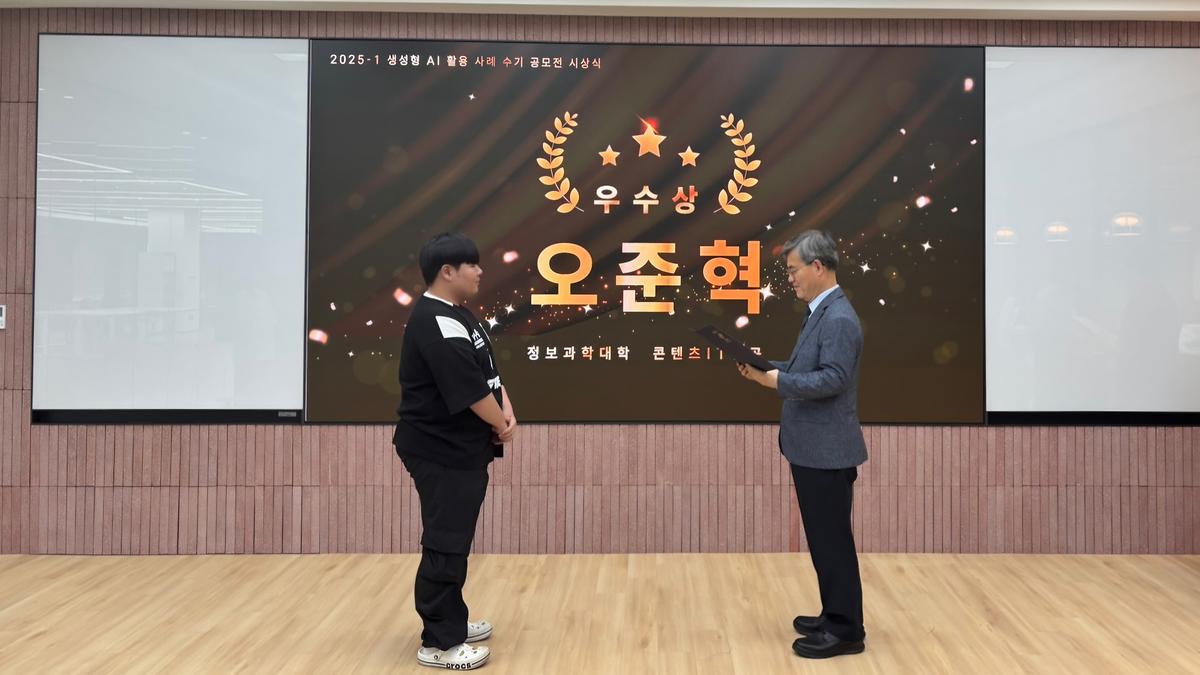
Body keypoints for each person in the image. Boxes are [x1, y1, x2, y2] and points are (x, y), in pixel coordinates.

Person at [737, 229, 869, 659]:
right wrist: (765, 368)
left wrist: (776, 381)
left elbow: (833, 379)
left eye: (794, 270)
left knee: (832, 542)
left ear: (818, 266)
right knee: (824, 539)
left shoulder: (839, 318)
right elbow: (806, 368)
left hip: (827, 450)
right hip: (812, 448)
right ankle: (834, 614)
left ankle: (846, 630)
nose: (789, 278)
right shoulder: (821, 312)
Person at [393, 232, 517, 670]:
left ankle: (453, 622)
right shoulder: (435, 323)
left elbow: (486, 373)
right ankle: (439, 642)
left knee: (455, 537)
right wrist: (499, 422)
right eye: (472, 265)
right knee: (445, 541)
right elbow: (468, 392)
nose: (480, 271)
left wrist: (505, 409)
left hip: (461, 448)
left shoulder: (458, 314)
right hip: (439, 450)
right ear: (448, 271)